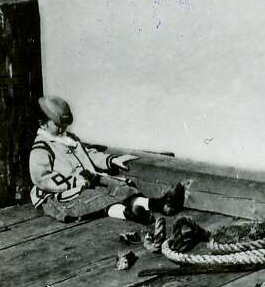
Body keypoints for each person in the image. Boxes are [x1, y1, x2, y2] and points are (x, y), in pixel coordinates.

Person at [29, 95, 184, 224]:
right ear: (42, 123)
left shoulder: (70, 139)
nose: (63, 129)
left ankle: (156, 204)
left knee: (118, 187)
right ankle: (129, 214)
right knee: (95, 199)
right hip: (63, 191)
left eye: (65, 125)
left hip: (89, 180)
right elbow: (42, 177)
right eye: (58, 125)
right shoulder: (42, 147)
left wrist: (110, 160)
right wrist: (72, 183)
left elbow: (89, 154)